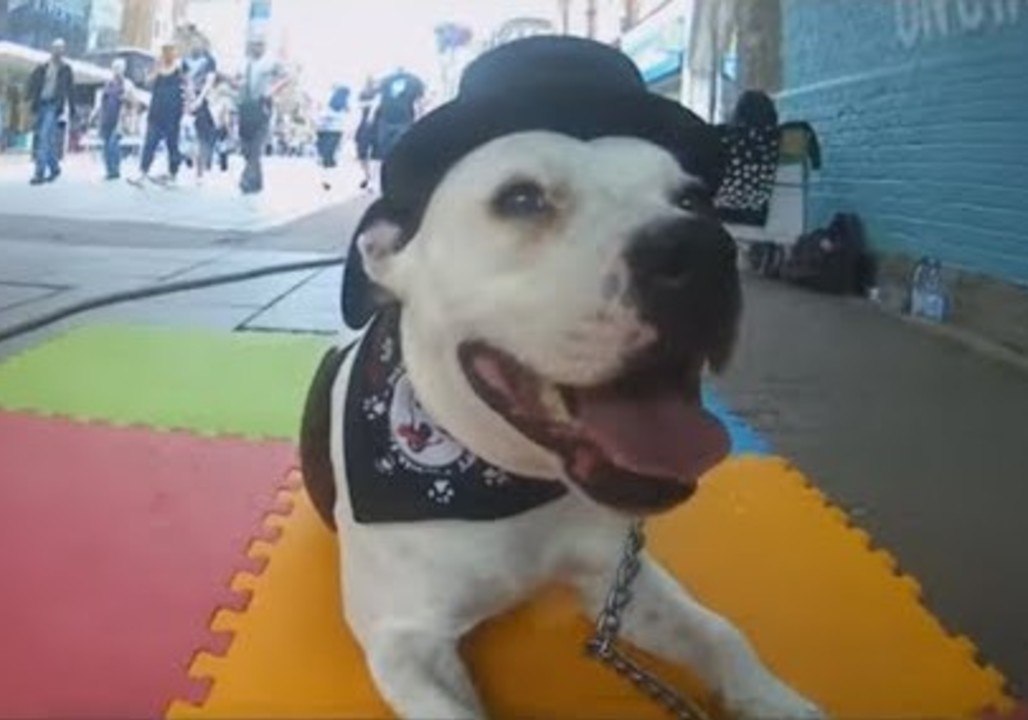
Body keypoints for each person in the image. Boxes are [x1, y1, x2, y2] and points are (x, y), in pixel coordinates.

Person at [236, 36, 289, 195]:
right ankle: (257, 182)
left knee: (256, 146)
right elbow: (239, 82)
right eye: (253, 44)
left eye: (259, 44)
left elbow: (286, 77)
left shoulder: (271, 62)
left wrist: (272, 91)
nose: (256, 47)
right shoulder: (244, 63)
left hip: (262, 106)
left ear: (264, 46)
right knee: (245, 147)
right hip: (245, 107)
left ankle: (246, 179)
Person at [130, 40, 185, 187]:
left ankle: (173, 174)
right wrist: (156, 69)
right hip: (156, 111)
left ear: (174, 52)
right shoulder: (158, 68)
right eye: (164, 50)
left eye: (170, 50)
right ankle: (142, 173)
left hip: (173, 113)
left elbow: (187, 86)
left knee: (172, 144)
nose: (167, 53)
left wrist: (188, 106)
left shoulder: (179, 68)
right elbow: (147, 83)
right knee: (150, 142)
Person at [25, 39, 74, 185]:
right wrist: (27, 98)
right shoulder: (42, 67)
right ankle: (54, 168)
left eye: (61, 48)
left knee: (44, 137)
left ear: (64, 51)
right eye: (56, 48)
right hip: (41, 105)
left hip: (53, 106)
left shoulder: (66, 69)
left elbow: (70, 90)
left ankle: (39, 173)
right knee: (46, 138)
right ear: (51, 49)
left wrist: (72, 109)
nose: (58, 50)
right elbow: (32, 82)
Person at [89, 59, 137, 180]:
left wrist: (126, 99)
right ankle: (110, 170)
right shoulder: (108, 84)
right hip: (107, 119)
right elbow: (101, 102)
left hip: (119, 120)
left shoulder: (127, 84)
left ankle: (115, 169)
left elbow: (134, 102)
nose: (117, 70)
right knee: (106, 146)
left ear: (123, 69)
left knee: (112, 144)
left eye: (119, 67)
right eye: (115, 67)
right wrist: (95, 114)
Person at [182, 35, 218, 184]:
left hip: (203, 100)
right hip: (186, 98)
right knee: (185, 134)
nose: (194, 44)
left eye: (198, 42)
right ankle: (183, 162)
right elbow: (186, 79)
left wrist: (199, 99)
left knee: (203, 136)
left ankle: (200, 172)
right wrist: (189, 99)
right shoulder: (186, 59)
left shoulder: (209, 60)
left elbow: (209, 81)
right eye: (192, 41)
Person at [372, 66, 424, 161]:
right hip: (386, 118)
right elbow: (377, 97)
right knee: (384, 147)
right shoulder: (386, 80)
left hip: (404, 119)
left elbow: (419, 101)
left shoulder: (415, 81)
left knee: (400, 146)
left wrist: (420, 118)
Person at [354, 76, 378, 190]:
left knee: (374, 152)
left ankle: (371, 178)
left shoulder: (379, 92)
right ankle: (368, 176)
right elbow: (358, 106)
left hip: (377, 123)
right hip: (365, 123)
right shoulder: (363, 93)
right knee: (361, 152)